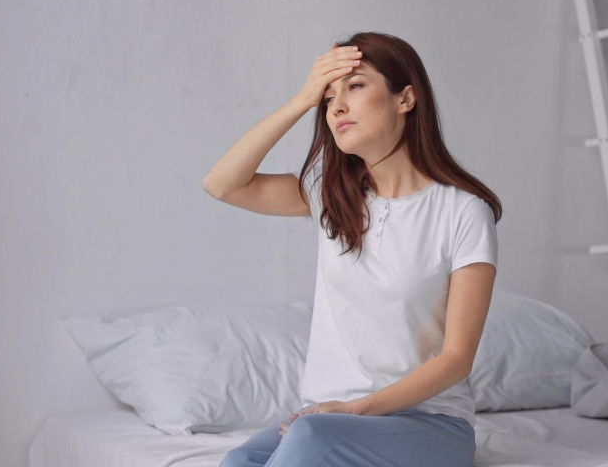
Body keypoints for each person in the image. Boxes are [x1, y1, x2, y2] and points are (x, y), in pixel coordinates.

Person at [204, 31, 501, 467]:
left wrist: (354, 410)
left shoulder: (462, 212)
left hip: (428, 425)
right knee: (237, 462)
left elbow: (457, 358)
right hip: (328, 420)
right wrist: (302, 98)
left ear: (406, 99)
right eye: (328, 98)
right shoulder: (332, 196)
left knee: (310, 438)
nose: (336, 106)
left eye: (356, 85)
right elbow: (222, 183)